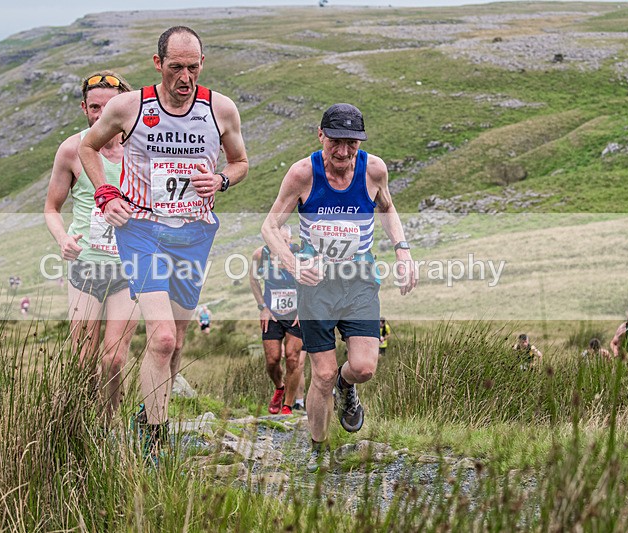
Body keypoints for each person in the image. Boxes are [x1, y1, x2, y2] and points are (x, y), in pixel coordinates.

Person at [79, 26, 248, 456]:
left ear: (202, 65)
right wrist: (105, 192)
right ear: (158, 65)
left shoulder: (221, 110)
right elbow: (87, 148)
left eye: (193, 67)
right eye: (176, 67)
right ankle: (155, 442)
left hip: (193, 233)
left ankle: (147, 414)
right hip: (141, 230)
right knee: (163, 338)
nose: (185, 77)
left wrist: (222, 180)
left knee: (178, 341)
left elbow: (241, 162)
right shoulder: (128, 107)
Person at [261, 103, 417, 472]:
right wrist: (292, 263)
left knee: (362, 368)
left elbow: (388, 208)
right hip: (316, 287)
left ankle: (348, 390)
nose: (344, 152)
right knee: (324, 374)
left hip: (359, 282)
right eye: (336, 142)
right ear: (321, 137)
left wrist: (403, 251)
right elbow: (270, 227)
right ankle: (318, 451)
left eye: (352, 143)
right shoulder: (302, 174)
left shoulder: (374, 170)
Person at [44, 70, 141, 424]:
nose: (101, 115)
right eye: (94, 107)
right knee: (83, 361)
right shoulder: (72, 149)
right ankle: (82, 426)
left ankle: (108, 422)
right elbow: (52, 208)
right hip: (85, 265)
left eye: (108, 106)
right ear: (85, 108)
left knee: (114, 359)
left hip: (128, 268)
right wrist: (63, 239)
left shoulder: (140, 149)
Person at [249, 225, 306, 415]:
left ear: (290, 241)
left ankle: (288, 406)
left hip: (296, 313)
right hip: (272, 314)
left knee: (293, 358)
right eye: (277, 241)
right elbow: (253, 279)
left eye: (285, 241)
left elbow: (311, 281)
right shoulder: (260, 255)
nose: (281, 245)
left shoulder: (300, 254)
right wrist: (262, 307)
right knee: (272, 360)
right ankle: (279, 387)